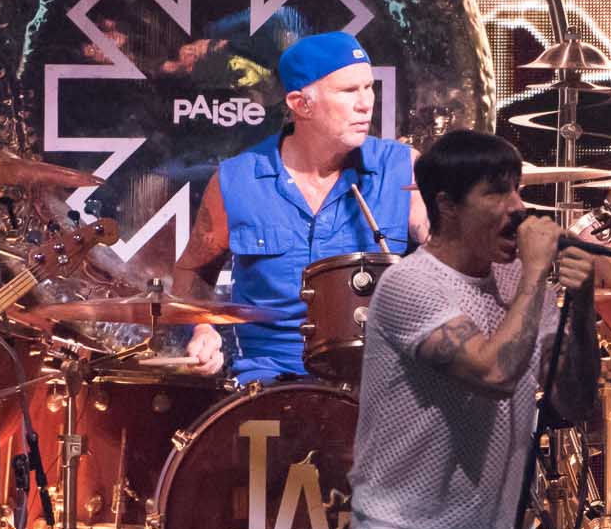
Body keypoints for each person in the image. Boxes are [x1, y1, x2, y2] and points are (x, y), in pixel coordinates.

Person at [343, 129, 599, 529]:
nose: (517, 207)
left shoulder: (516, 281)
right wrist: (538, 275)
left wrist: (582, 306)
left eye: (518, 189)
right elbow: (492, 372)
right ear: (447, 205)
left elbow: (572, 403)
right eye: (497, 192)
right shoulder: (409, 285)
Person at [174, 31, 430, 382]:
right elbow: (192, 272)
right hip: (269, 384)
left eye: (368, 87)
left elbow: (448, 258)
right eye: (348, 91)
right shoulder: (237, 180)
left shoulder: (402, 170)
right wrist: (202, 328)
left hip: (381, 382)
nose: (365, 103)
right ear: (300, 103)